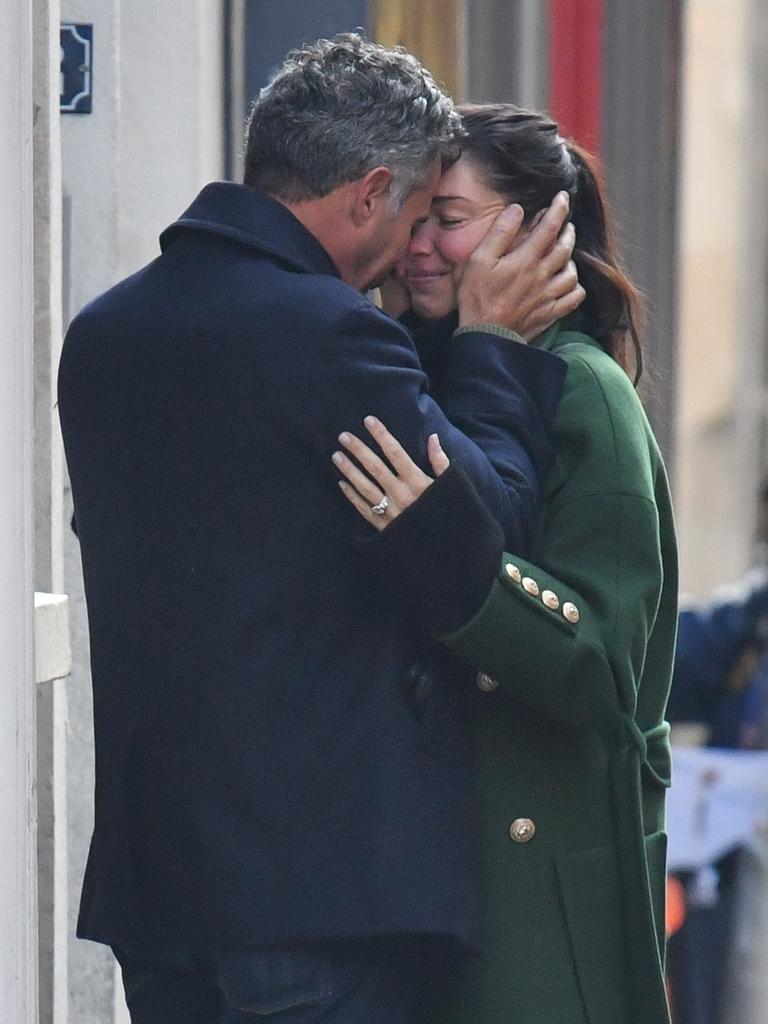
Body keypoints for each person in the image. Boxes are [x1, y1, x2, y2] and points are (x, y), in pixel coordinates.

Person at [58, 40, 582, 1024]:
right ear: (371, 192)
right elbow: (495, 531)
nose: (418, 248)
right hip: (322, 902)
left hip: (159, 890)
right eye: (420, 215)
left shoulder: (103, 334)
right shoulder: (332, 336)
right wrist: (494, 349)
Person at [334, 104, 678, 1024]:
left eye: (449, 219)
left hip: (535, 907)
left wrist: (450, 562)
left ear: (540, 230)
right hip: (417, 892)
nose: (420, 244)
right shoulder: (409, 374)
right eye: (415, 217)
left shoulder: (588, 396)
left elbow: (604, 661)